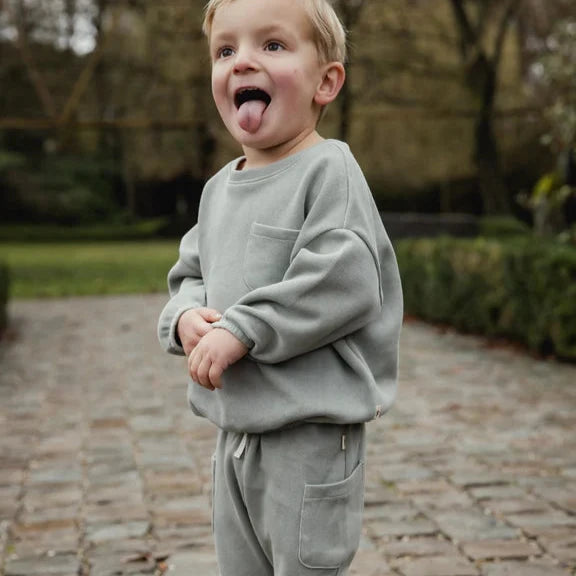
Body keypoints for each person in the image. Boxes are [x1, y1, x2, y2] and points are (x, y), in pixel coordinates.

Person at [157, 0, 403, 574]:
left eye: (272, 45)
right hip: (236, 430)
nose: (242, 62)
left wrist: (244, 327)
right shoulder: (219, 190)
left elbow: (341, 279)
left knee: (304, 566)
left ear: (326, 81)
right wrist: (185, 318)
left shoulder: (329, 170)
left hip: (309, 434)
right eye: (226, 50)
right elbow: (190, 272)